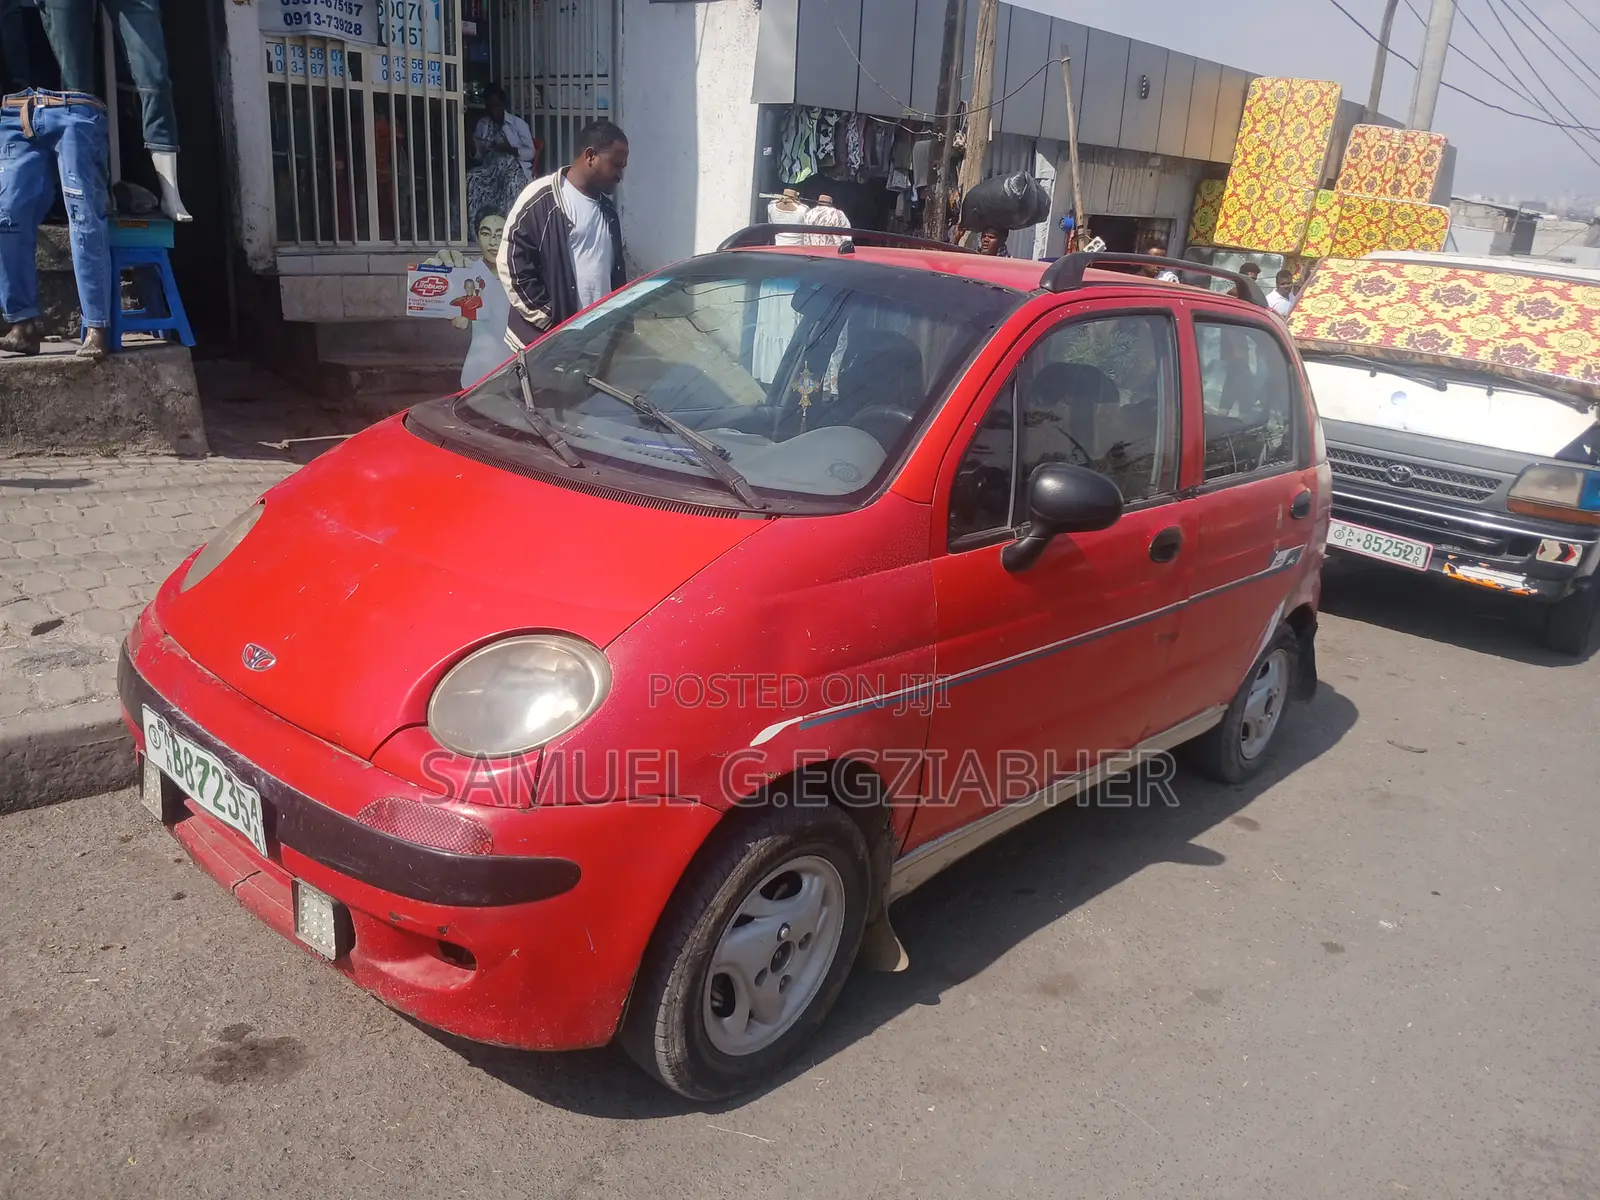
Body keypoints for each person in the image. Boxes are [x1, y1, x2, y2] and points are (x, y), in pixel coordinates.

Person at [498, 119, 628, 348]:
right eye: (616, 165)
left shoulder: (608, 211)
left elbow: (614, 274)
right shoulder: (541, 199)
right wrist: (551, 322)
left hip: (595, 344)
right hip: (545, 346)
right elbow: (512, 267)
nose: (620, 175)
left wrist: (619, 327)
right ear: (590, 156)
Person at [468, 84, 536, 227]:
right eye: (490, 107)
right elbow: (479, 157)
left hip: (513, 167)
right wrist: (473, 146)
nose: (494, 110)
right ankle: (476, 229)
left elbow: (530, 153)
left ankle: (507, 228)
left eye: (497, 106)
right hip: (489, 168)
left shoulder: (517, 124)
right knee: (470, 179)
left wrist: (510, 149)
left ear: (504, 105)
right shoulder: (483, 124)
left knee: (510, 184)